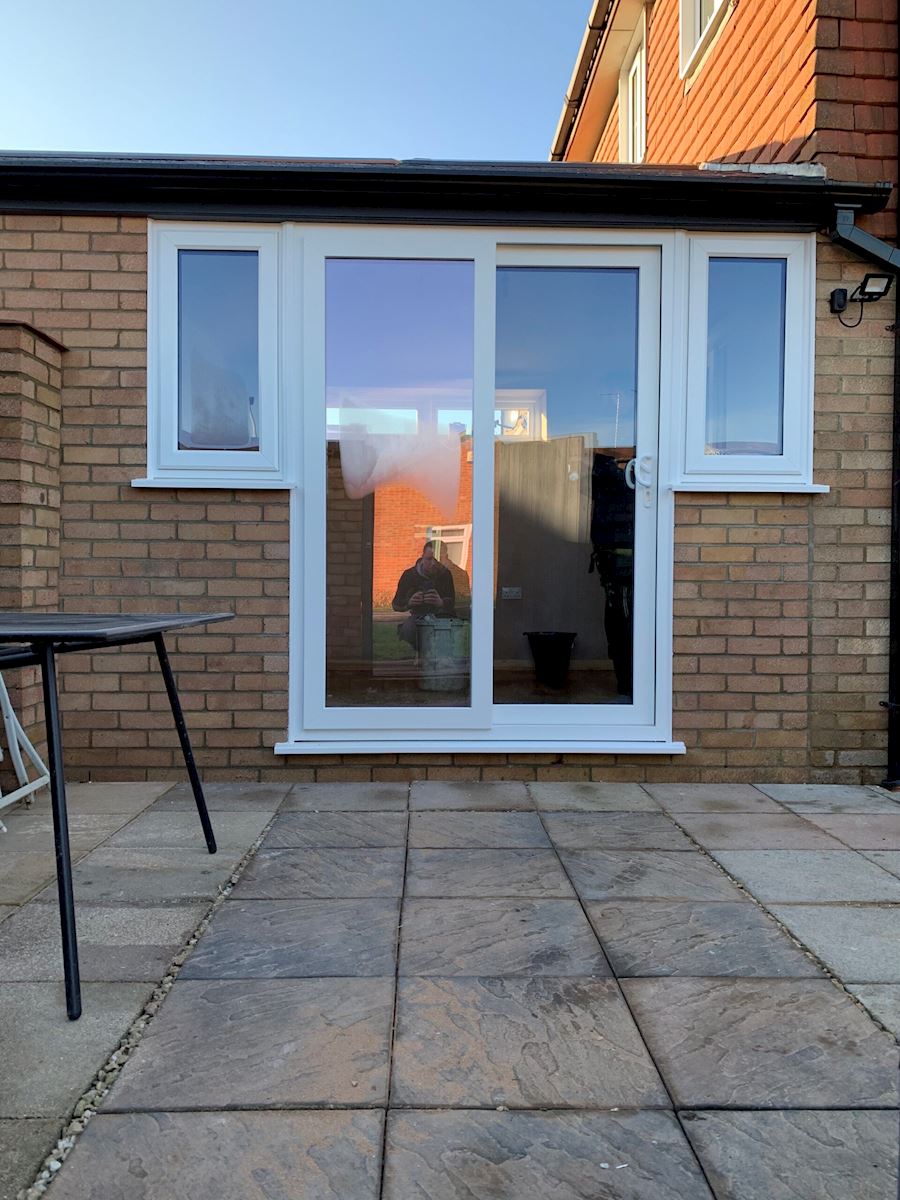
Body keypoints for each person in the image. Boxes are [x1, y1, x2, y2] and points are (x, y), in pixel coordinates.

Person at [392, 540, 456, 649]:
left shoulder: (446, 574)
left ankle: (439, 654)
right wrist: (409, 602)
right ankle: (420, 651)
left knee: (448, 627)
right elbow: (395, 604)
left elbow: (455, 602)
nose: (433, 563)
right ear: (422, 557)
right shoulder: (409, 575)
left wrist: (441, 602)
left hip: (442, 616)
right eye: (429, 559)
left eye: (438, 559)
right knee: (409, 629)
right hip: (418, 616)